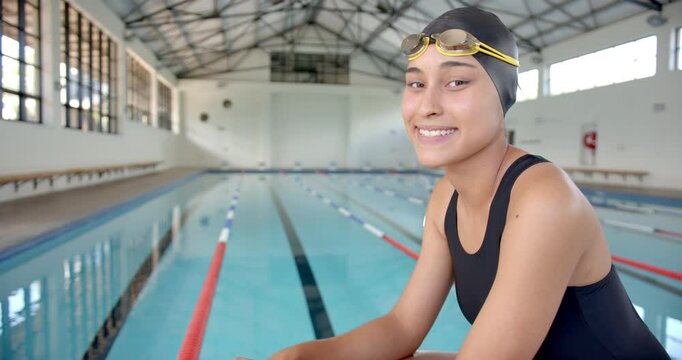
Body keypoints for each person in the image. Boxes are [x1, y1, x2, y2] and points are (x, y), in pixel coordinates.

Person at [269, 7, 669, 359]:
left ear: (503, 94)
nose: (428, 106)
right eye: (416, 83)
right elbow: (403, 328)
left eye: (456, 82)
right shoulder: (446, 199)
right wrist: (300, 355)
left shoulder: (544, 199)